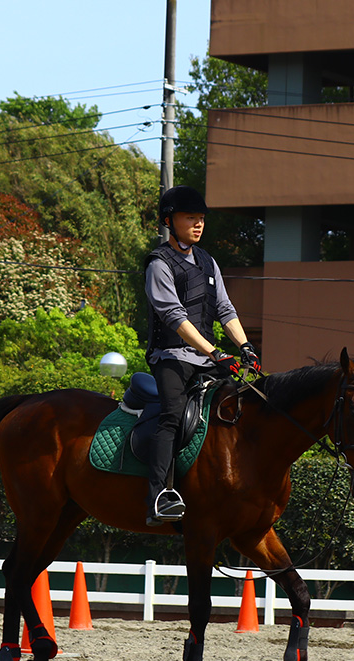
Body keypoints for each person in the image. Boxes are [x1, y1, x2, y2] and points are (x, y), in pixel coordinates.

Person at [142, 186, 262, 526]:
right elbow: (174, 316)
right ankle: (158, 498)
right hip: (171, 357)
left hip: (209, 359)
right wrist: (215, 351)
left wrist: (245, 347)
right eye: (190, 218)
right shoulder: (158, 263)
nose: (198, 225)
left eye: (201, 219)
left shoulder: (208, 261)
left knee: (241, 408)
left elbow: (225, 309)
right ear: (169, 221)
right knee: (172, 416)